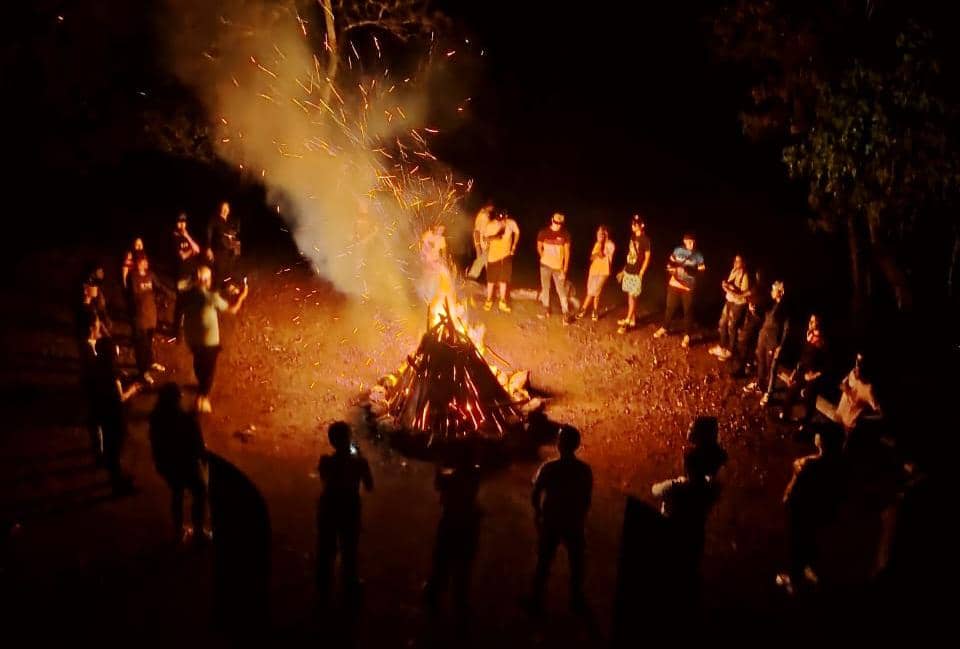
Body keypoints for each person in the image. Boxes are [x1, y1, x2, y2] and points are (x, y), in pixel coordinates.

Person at [651, 420, 724, 607]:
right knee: (691, 561)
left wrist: (675, 482)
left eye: (692, 428)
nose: (688, 429)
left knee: (670, 559)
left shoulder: (678, 487)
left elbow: (655, 490)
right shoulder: (711, 488)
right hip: (696, 527)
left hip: (674, 525)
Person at [524, 425, 593, 615]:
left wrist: (538, 514)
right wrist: (580, 517)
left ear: (559, 444)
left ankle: (536, 599)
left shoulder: (549, 468)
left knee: (544, 562)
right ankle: (576, 600)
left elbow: (536, 493)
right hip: (573, 522)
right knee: (576, 564)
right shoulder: (584, 470)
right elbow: (587, 498)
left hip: (552, 521)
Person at [776, 428, 844, 595]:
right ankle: (809, 567)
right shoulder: (840, 464)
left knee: (797, 542)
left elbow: (795, 488)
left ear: (821, 442)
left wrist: (787, 498)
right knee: (811, 540)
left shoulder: (807, 464)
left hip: (802, 511)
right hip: (820, 511)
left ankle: (793, 579)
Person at [316, 421, 374, 606]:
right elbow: (370, 486)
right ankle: (349, 587)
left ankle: (323, 588)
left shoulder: (325, 461)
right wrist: (360, 458)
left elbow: (326, 478)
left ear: (331, 441)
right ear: (349, 438)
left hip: (329, 507)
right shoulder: (359, 463)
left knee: (327, 549)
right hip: (349, 508)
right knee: (349, 550)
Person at [423, 443, 482, 621]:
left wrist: (438, 465)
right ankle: (460, 603)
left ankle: (434, 596)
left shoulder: (449, 477)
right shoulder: (476, 473)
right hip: (469, 523)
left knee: (441, 561)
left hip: (450, 522)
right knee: (464, 565)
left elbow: (439, 485)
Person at [182, 265, 249, 413]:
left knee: (198, 366)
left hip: (193, 340)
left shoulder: (188, 294)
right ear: (206, 280)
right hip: (209, 342)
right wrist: (242, 296)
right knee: (209, 371)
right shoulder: (210, 298)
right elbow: (232, 310)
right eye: (209, 278)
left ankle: (200, 387)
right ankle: (202, 398)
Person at [149, 383, 209, 545]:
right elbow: (199, 445)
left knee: (177, 494)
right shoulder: (186, 420)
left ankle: (178, 531)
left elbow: (156, 444)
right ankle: (198, 532)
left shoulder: (156, 418)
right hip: (187, 464)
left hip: (168, 465)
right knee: (199, 492)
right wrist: (203, 460)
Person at [92, 337, 139, 494]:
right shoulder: (111, 372)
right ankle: (117, 483)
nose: (117, 350)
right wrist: (133, 389)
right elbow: (120, 397)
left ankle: (115, 475)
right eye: (114, 349)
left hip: (102, 412)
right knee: (115, 447)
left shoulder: (97, 364)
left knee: (110, 446)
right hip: (114, 415)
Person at [653, 232, 705, 347]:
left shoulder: (698, 255)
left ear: (694, 242)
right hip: (674, 284)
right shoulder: (678, 251)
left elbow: (701, 271)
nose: (690, 244)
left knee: (688, 311)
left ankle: (687, 336)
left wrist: (691, 271)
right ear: (684, 241)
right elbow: (669, 262)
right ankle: (664, 328)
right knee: (670, 308)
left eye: (692, 242)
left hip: (688, 287)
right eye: (688, 241)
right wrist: (669, 268)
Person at [780, 314, 828, 431]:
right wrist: (794, 372)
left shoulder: (822, 343)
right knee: (791, 391)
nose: (810, 323)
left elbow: (826, 366)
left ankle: (805, 425)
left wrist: (814, 376)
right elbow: (802, 357)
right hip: (802, 371)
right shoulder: (808, 335)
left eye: (813, 321)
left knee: (809, 401)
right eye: (810, 320)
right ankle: (785, 414)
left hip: (812, 376)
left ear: (819, 324)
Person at [745, 280, 790, 404]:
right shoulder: (771, 303)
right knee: (761, 362)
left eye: (773, 289)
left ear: (780, 292)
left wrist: (780, 346)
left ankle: (768, 393)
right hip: (763, 337)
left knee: (771, 368)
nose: (771, 291)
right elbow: (765, 318)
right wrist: (753, 311)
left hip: (772, 341)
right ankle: (759, 384)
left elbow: (786, 328)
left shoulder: (784, 308)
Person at [128, 256, 169, 377]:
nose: (145, 263)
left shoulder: (150, 275)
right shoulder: (133, 277)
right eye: (142, 261)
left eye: (146, 260)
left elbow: (160, 286)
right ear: (137, 263)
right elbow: (136, 296)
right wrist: (150, 296)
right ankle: (143, 371)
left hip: (151, 315)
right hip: (140, 317)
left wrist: (172, 294)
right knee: (142, 345)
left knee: (149, 342)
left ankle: (151, 362)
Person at [709, 255, 751, 360]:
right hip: (729, 301)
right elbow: (730, 284)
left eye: (739, 261)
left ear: (743, 263)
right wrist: (726, 284)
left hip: (738, 303)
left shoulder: (745, 276)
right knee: (722, 323)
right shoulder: (734, 271)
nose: (736, 263)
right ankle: (722, 346)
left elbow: (742, 294)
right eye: (735, 260)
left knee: (732, 326)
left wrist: (729, 289)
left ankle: (730, 351)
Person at [616, 215, 652, 334]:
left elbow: (647, 258)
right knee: (630, 296)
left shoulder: (645, 240)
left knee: (633, 295)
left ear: (642, 225)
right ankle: (632, 319)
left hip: (637, 272)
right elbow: (630, 255)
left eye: (636, 224)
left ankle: (627, 322)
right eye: (632, 224)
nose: (633, 226)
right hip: (629, 270)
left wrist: (642, 272)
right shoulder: (632, 237)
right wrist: (624, 270)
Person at [834, 352, 881, 439]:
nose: (856, 367)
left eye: (860, 364)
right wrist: (845, 388)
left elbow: (880, 413)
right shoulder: (852, 373)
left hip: (848, 426)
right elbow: (842, 385)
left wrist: (862, 418)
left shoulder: (869, 390)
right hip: (839, 416)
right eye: (856, 362)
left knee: (841, 451)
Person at [536, 212, 573, 323]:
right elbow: (539, 246)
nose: (558, 225)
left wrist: (565, 270)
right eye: (556, 222)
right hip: (545, 266)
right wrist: (543, 256)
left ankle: (566, 313)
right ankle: (545, 310)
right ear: (552, 220)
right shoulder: (543, 232)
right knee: (545, 288)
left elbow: (567, 253)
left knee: (561, 290)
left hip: (558, 268)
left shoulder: (565, 235)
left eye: (560, 223)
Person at [483, 211, 519, 312]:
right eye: (498, 219)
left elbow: (517, 232)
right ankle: (489, 300)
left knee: (504, 280)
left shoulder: (511, 223)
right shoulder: (490, 225)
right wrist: (495, 236)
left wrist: (514, 245)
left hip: (506, 256)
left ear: (506, 217)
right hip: (493, 257)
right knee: (491, 281)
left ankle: (502, 302)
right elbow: (485, 239)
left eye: (503, 219)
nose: (500, 221)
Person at [578, 225, 615, 321]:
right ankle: (595, 311)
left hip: (604, 271)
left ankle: (583, 309)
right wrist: (596, 251)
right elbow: (591, 257)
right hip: (593, 270)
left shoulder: (610, 245)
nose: (599, 234)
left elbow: (603, 255)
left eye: (601, 233)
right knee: (595, 291)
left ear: (606, 233)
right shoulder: (597, 244)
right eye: (598, 233)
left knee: (593, 291)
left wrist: (601, 247)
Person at [173, 212, 202, 336]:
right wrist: (192, 250)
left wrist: (188, 237)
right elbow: (182, 256)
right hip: (181, 275)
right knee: (180, 304)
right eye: (179, 222)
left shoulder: (188, 235)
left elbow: (198, 249)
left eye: (183, 222)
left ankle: (190, 326)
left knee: (192, 301)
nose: (182, 225)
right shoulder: (174, 237)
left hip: (192, 274)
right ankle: (177, 331)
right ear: (176, 223)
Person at [207, 201, 241, 288]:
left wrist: (235, 243)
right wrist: (208, 248)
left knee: (229, 268)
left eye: (227, 208)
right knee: (219, 270)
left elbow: (234, 233)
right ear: (220, 209)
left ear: (229, 210)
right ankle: (216, 288)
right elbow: (208, 234)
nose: (225, 210)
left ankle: (227, 285)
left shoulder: (229, 221)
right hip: (218, 249)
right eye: (223, 208)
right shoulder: (214, 220)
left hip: (229, 249)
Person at [468, 203, 494, 280]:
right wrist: (478, 244)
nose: (493, 209)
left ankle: (489, 278)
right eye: (492, 207)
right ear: (488, 206)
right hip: (481, 241)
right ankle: (472, 275)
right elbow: (477, 230)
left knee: (486, 259)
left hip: (485, 241)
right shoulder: (482, 215)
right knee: (482, 258)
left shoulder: (486, 215)